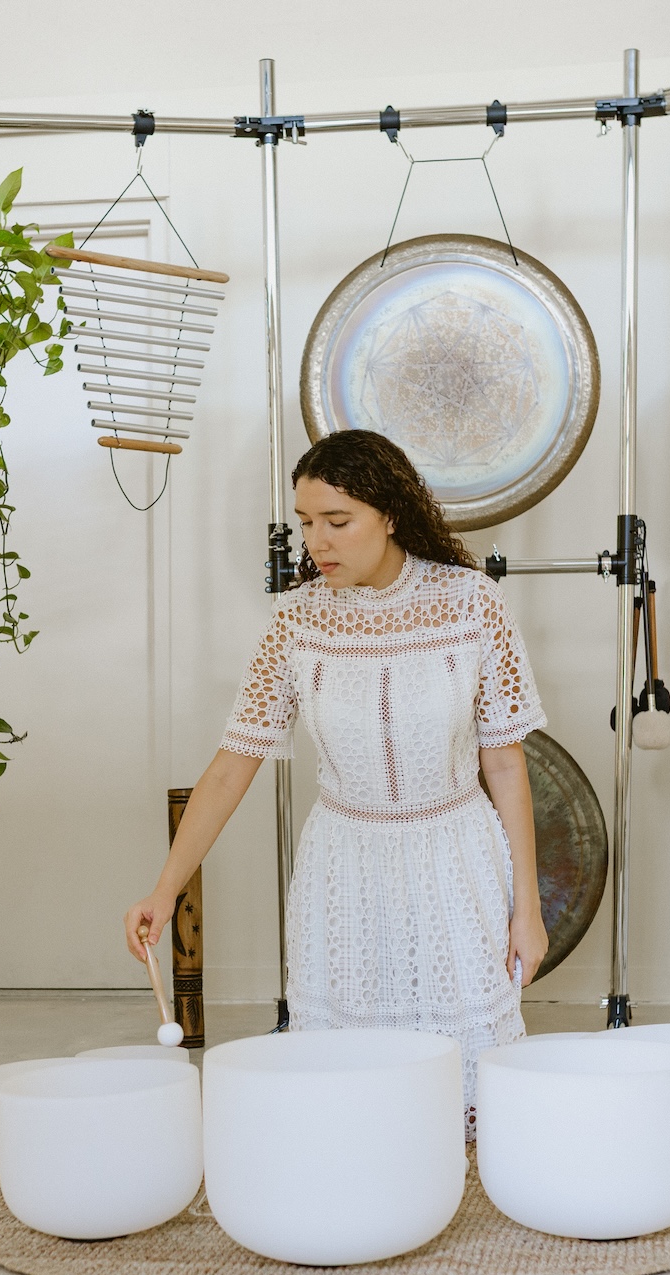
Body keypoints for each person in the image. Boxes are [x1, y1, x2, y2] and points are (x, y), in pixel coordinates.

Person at [122, 430, 547, 1139]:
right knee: (348, 1095)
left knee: (466, 1089)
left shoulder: (472, 603)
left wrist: (525, 910)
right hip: (343, 866)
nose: (317, 541)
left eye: (337, 521)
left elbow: (505, 763)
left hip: (455, 858)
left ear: (390, 513)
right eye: (306, 522)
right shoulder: (297, 620)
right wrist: (164, 889)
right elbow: (232, 765)